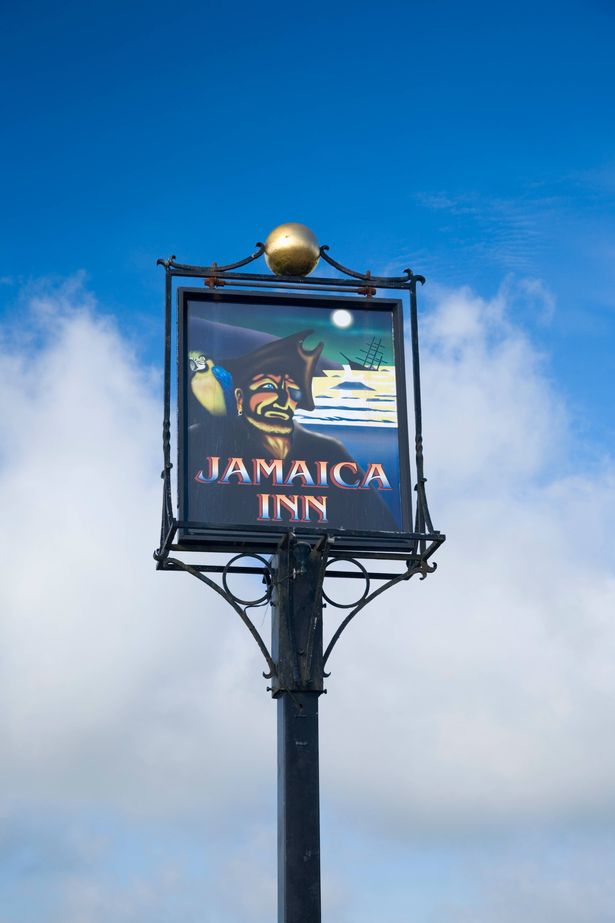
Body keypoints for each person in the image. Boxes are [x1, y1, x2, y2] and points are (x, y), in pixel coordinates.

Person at [186, 330, 399, 532]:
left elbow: (383, 527)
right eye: (268, 387)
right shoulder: (202, 440)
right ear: (240, 398)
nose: (282, 399)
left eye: (292, 390)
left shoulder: (328, 451)